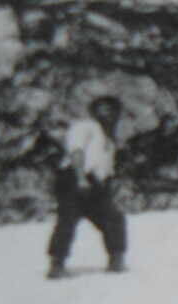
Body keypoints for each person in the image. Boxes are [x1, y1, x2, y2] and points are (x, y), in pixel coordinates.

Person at [46, 94, 128, 278]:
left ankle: (116, 260)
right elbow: (77, 151)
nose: (107, 113)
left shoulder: (107, 137)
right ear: (94, 110)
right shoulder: (85, 126)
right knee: (68, 220)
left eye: (111, 109)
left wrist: (108, 184)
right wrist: (80, 178)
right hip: (75, 177)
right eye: (102, 108)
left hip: (96, 183)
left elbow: (105, 165)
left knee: (113, 218)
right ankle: (56, 265)